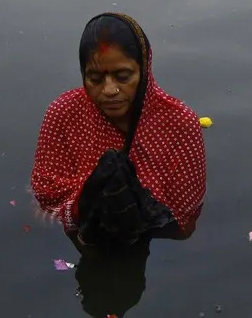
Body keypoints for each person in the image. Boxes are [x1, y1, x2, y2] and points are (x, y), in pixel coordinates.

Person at [31, 13, 206, 250]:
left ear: (144, 71)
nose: (110, 90)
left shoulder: (178, 123)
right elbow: (45, 197)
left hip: (153, 244)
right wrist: (85, 200)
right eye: (95, 78)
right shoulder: (63, 113)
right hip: (84, 242)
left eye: (123, 77)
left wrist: (143, 212)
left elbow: (185, 218)